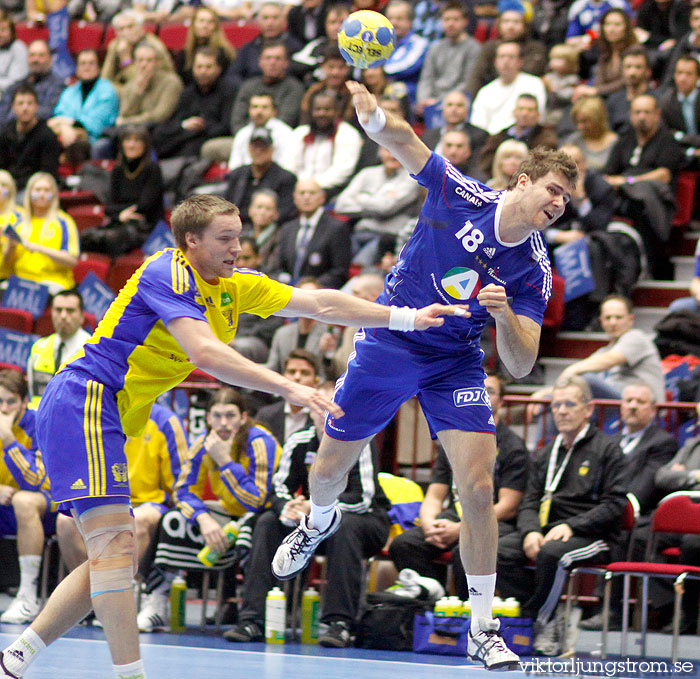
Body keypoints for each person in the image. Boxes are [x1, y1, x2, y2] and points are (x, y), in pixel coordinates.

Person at [0, 192, 456, 679]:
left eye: (239, 236)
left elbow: (320, 302)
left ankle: (15, 659)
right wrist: (289, 387)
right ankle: (130, 675)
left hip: (110, 415)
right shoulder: (167, 272)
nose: (238, 247)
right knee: (115, 549)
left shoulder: (233, 286)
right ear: (190, 240)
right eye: (225, 238)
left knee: (111, 557)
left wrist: (404, 317)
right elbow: (206, 353)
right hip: (86, 399)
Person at [270, 79, 579, 670]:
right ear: (522, 181)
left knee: (479, 487)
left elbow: (520, 363)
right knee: (329, 470)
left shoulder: (533, 269)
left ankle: (483, 627)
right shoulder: (463, 194)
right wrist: (372, 118)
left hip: (454, 360)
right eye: (553, 190)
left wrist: (505, 314)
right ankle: (318, 521)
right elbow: (408, 142)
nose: (558, 204)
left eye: (566, 200)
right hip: (392, 338)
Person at [224, 380, 391, 648]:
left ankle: (339, 623)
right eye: (319, 408)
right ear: (311, 409)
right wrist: (286, 508)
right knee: (267, 522)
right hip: (311, 520)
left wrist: (316, 511)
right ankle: (252, 619)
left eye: (331, 408)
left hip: (365, 520)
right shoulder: (299, 440)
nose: (323, 414)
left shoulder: (359, 439)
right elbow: (278, 488)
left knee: (344, 526)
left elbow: (363, 498)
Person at [497, 375, 627, 657]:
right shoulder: (546, 453)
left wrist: (572, 524)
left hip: (595, 536)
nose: (562, 411)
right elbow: (529, 500)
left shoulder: (608, 449)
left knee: (554, 555)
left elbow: (615, 505)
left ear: (588, 409)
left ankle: (542, 622)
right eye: (556, 405)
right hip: (548, 531)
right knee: (499, 551)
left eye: (570, 404)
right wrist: (531, 530)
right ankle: (544, 613)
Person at [136, 389, 277, 631]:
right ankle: (157, 602)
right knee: (172, 520)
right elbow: (183, 491)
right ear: (208, 418)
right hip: (225, 513)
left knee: (257, 526)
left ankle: (250, 615)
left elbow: (256, 500)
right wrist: (203, 518)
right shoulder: (203, 442)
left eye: (231, 416)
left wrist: (224, 462)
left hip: (262, 514)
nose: (224, 423)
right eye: (218, 416)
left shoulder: (260, 441)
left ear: (243, 417)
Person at [388, 374, 528, 598]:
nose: (482, 395)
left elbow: (508, 506)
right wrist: (428, 525)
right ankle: (435, 603)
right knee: (404, 545)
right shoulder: (452, 439)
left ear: (501, 402)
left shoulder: (512, 447)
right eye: (477, 389)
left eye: (490, 391)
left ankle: (467, 616)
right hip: (455, 516)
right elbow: (434, 495)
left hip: (494, 522)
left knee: (464, 551)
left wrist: (462, 528)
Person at [55, 400, 188, 628]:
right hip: (106, 500)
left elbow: (182, 479)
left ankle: (129, 597)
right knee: (64, 522)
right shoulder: (97, 415)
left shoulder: (166, 421)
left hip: (150, 502)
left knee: (140, 520)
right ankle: (91, 600)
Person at [579, 380, 678, 632]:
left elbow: (642, 491)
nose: (632, 406)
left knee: (622, 534)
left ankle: (612, 610)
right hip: (608, 509)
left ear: (653, 410)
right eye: (628, 401)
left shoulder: (661, 442)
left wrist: (608, 509)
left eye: (640, 402)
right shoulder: (611, 440)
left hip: (639, 514)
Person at [0, 370, 56, 625]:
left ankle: (27, 595)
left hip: (46, 507)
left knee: (24, 499)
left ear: (23, 401)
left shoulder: (39, 422)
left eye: (10, 401)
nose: (4, 408)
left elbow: (36, 481)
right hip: (4, 505)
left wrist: (8, 439)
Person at [79, 126, 164, 258]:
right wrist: (120, 214)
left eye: (137, 141)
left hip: (145, 226)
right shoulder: (118, 170)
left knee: (113, 238)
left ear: (145, 145)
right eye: (128, 140)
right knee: (86, 236)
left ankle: (117, 276)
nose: (131, 145)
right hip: (120, 221)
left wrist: (120, 211)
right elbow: (109, 207)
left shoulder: (152, 169)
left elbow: (146, 205)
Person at [334, 145, 421, 267]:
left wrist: (362, 197)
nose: (392, 155)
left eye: (397, 151)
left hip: (388, 238)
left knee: (357, 266)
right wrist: (376, 203)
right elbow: (341, 205)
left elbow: (385, 208)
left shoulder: (413, 178)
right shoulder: (367, 173)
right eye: (388, 150)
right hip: (359, 232)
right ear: (380, 151)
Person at [273, 177, 351, 288]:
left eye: (312, 193)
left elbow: (339, 272)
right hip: (289, 293)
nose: (306, 197)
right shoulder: (287, 228)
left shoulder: (337, 228)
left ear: (322, 198)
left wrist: (312, 286)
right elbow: (279, 267)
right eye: (302, 193)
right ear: (295, 198)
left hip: (320, 294)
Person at [12, 172, 79, 294]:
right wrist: (10, 246)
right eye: (37, 190)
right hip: (20, 281)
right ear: (29, 193)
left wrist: (40, 248)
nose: (42, 194)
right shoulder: (19, 222)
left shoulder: (64, 222)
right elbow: (9, 262)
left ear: (53, 194)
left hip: (52, 282)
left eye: (47, 190)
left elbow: (72, 260)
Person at [415, 1, 482, 117]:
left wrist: (442, 101)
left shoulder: (474, 48)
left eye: (455, 19)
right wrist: (424, 99)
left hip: (457, 102)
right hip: (432, 102)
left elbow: (468, 82)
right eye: (446, 19)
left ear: (465, 22)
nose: (450, 24)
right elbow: (426, 78)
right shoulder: (435, 47)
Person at [27, 289, 91, 407]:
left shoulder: (90, 350)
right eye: (58, 310)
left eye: (70, 311)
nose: (63, 316)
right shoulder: (39, 347)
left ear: (82, 316)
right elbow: (32, 394)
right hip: (40, 419)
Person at [48, 49, 119, 154]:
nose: (87, 67)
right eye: (83, 63)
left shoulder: (107, 90)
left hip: (95, 138)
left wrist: (69, 122)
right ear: (76, 69)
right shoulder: (70, 91)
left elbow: (98, 123)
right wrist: (64, 127)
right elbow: (59, 114)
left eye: (91, 63)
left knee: (76, 143)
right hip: (66, 133)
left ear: (99, 68)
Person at [469, 41, 547, 136]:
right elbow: (478, 124)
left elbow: (538, 117)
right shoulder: (486, 91)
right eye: (502, 57)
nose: (506, 62)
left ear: (520, 62)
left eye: (511, 57)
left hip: (523, 136)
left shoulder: (534, 84)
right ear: (495, 62)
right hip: (491, 139)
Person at [223, 126, 297, 224]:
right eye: (255, 146)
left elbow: (285, 212)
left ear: (272, 150)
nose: (258, 151)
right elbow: (226, 205)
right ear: (249, 148)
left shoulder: (286, 178)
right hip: (237, 225)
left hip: (270, 230)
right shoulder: (237, 174)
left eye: (263, 147)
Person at [477, 93, 558, 181]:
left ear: (538, 115)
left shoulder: (546, 138)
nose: (524, 113)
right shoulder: (498, 137)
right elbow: (485, 164)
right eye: (520, 109)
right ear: (514, 112)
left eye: (530, 110)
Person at [0, 84, 61, 191]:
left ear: (36, 106)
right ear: (13, 107)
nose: (25, 108)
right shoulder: (5, 132)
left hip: (34, 189)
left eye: (29, 103)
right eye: (20, 104)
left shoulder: (47, 136)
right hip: (7, 188)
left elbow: (47, 175)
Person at [256, 348, 320, 445]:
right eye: (291, 372)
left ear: (316, 382)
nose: (297, 377)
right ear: (283, 377)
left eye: (304, 373)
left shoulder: (322, 418)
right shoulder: (265, 416)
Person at [265, 281, 329, 374]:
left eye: (311, 298)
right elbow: (272, 368)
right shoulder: (282, 333)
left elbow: (333, 372)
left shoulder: (328, 334)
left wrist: (328, 355)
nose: (306, 303)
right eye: (303, 297)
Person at [0, 40, 65, 127]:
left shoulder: (58, 86)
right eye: (32, 55)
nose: (35, 60)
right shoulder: (17, 85)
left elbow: (49, 112)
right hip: (10, 135)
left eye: (41, 55)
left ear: (50, 59)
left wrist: (18, 113)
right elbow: (2, 112)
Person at [174, 6, 237, 85]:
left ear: (216, 26)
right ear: (193, 24)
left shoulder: (224, 53)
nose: (205, 25)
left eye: (210, 22)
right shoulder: (185, 53)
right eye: (201, 21)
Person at [564, 94, 618, 172]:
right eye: (577, 122)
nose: (580, 126)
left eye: (585, 121)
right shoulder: (574, 140)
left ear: (598, 119)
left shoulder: (615, 143)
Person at [0, 170, 23, 282]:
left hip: (8, 277)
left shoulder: (20, 216)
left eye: (3, 185)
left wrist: (10, 243)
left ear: (10, 189)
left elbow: (9, 259)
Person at [0, 9, 27, 98]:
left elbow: (17, 82)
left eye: (3, 30)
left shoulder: (19, 48)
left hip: (12, 95)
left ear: (12, 31)